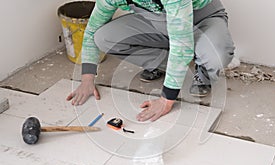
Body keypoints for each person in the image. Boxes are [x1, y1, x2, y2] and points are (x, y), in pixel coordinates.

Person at [66, 0, 235, 122]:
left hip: (201, 21)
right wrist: (87, 79)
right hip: (160, 23)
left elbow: (181, 43)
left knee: (217, 56)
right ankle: (163, 64)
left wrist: (166, 100)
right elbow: (91, 30)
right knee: (103, 37)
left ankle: (202, 70)